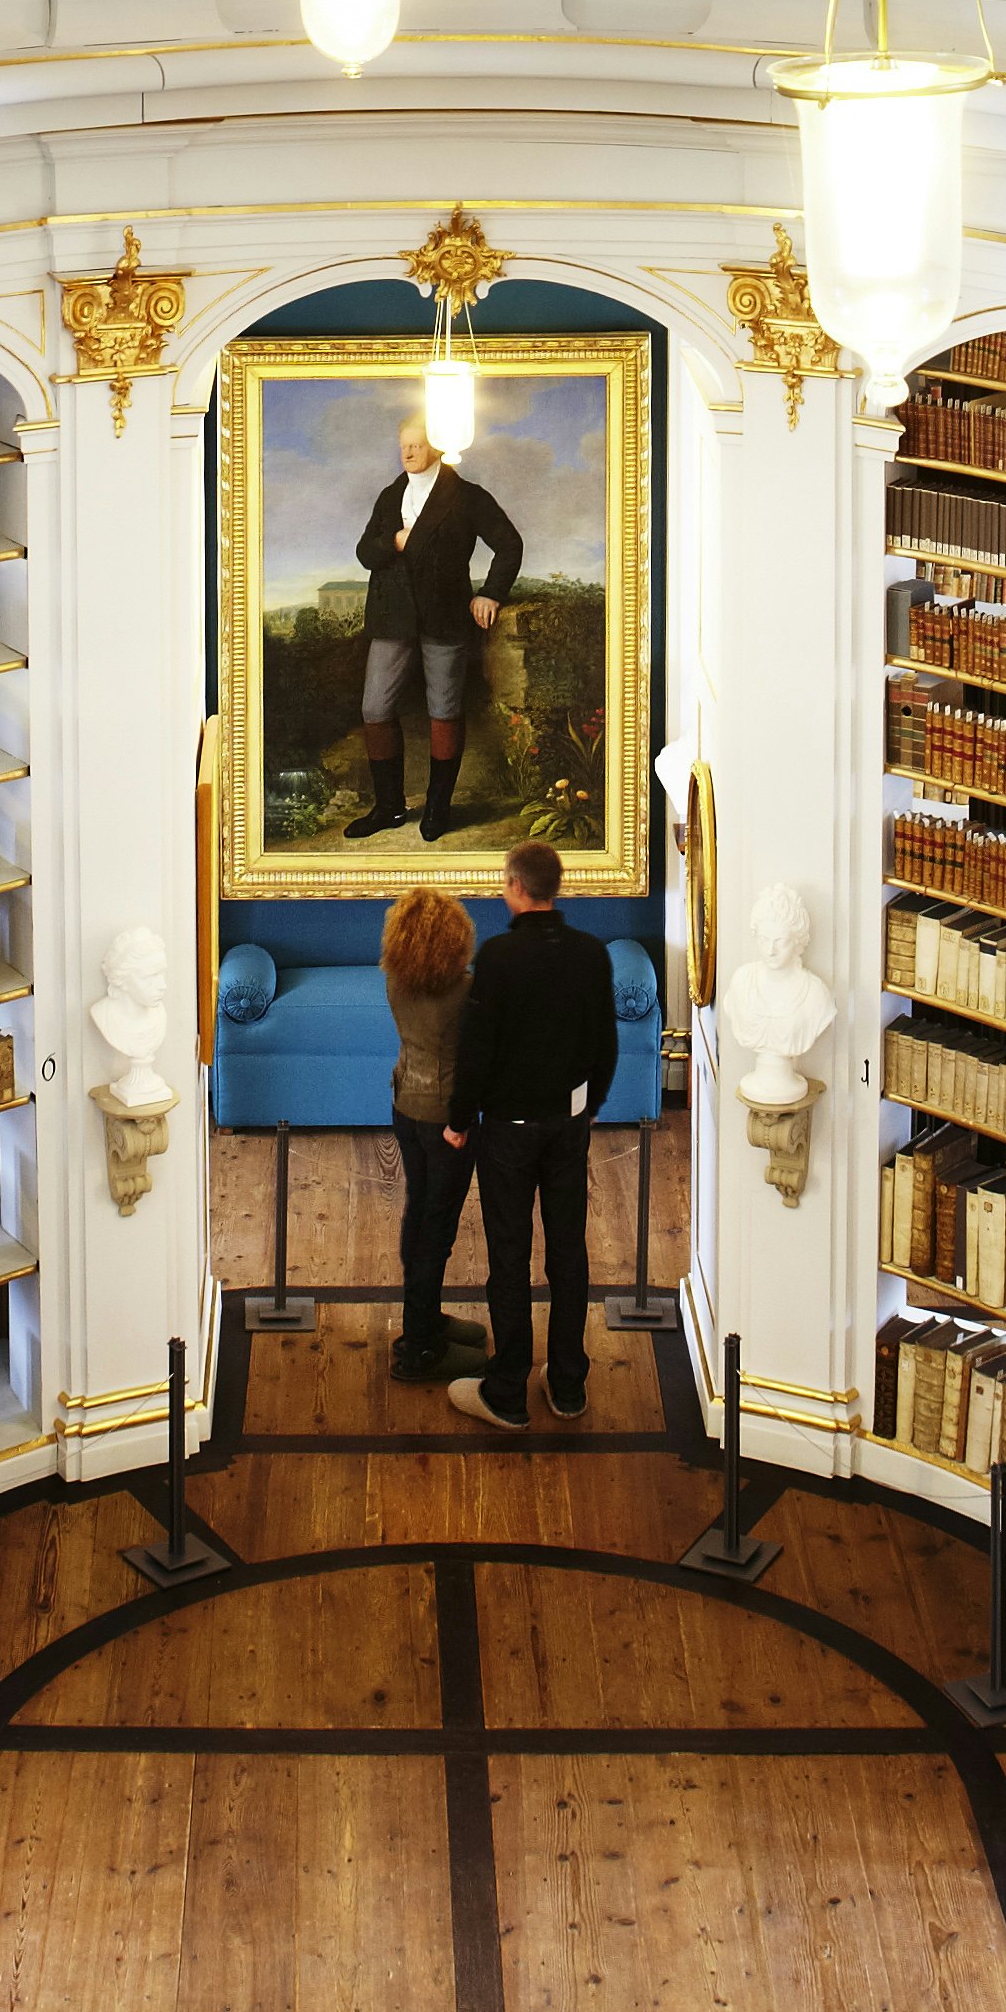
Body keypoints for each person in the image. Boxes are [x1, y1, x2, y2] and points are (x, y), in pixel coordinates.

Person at [447, 839, 619, 1427]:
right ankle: (568, 1386)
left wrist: (457, 1120)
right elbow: (606, 1043)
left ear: (517, 888)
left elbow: (476, 1051)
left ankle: (507, 1392)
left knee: (510, 1258)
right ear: (556, 887)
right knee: (569, 1254)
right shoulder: (592, 954)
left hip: (508, 1134)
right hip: (569, 1126)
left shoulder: (496, 958)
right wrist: (591, 1103)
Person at [350, 410, 524, 841]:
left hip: (445, 615)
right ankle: (389, 808)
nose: (408, 452)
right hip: (393, 616)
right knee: (375, 709)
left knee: (444, 711)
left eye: (418, 444)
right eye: (404, 444)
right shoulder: (391, 496)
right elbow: (365, 553)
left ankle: (438, 808)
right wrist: (393, 541)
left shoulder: (467, 496)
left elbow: (509, 545)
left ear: (439, 447)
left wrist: (490, 593)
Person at [379, 885, 485, 1380]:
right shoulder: (465, 991)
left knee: (418, 1213)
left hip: (405, 1105)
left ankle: (423, 1321)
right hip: (447, 1121)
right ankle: (420, 1348)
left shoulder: (395, 982)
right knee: (436, 1230)